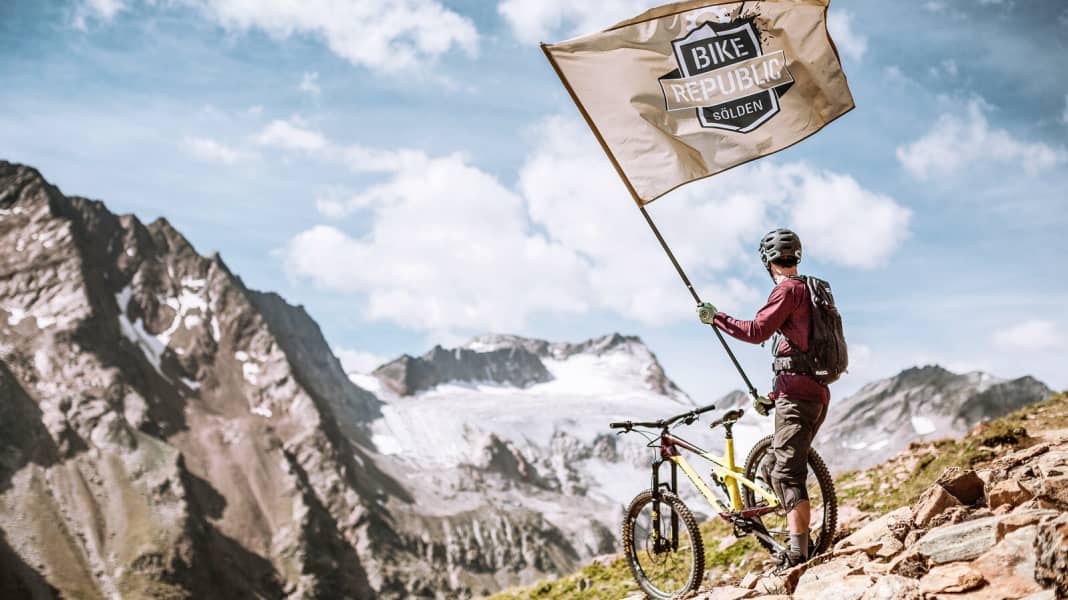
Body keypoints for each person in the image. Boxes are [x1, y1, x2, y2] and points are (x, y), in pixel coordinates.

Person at [696, 228, 829, 567]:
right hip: (814, 392)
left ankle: (799, 554)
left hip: (797, 397)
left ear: (768, 261)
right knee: (773, 465)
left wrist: (717, 317)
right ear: (795, 256)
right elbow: (801, 349)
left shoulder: (787, 291)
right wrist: (773, 396)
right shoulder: (814, 293)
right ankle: (801, 538)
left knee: (786, 473)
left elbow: (756, 331)